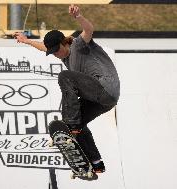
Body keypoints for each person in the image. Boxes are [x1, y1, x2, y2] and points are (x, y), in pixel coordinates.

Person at [13, 4, 120, 173]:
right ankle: (95, 162)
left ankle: (72, 126)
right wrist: (27, 41)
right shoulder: (62, 54)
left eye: (57, 50)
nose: (56, 54)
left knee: (64, 77)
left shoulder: (78, 44)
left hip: (105, 86)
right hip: (105, 101)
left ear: (64, 43)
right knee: (78, 120)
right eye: (53, 52)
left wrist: (78, 17)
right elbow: (44, 47)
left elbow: (89, 30)